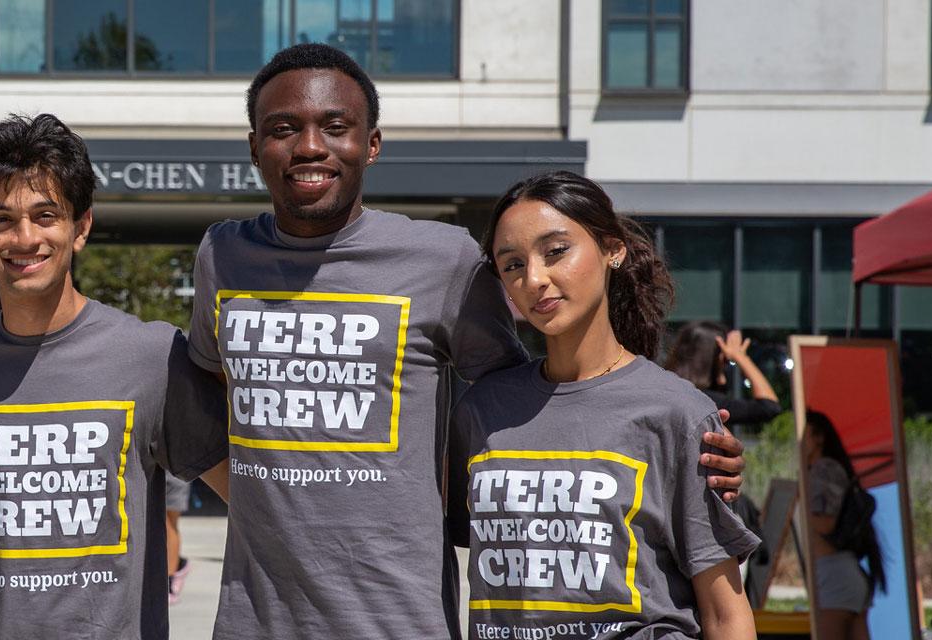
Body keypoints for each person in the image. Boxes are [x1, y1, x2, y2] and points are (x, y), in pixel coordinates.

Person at [185, 43, 748, 639]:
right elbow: (204, 390)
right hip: (253, 621)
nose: (309, 147)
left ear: (371, 144)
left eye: (335, 127)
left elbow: (533, 406)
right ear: (253, 146)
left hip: (401, 622)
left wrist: (676, 446)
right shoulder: (222, 256)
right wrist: (258, 490)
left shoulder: (443, 259)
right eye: (282, 129)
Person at [0, 114, 230, 639]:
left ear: (81, 227)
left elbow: (254, 496)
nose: (25, 238)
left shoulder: (153, 356)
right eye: (1, 220)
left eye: (45, 215)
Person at [453, 170, 759, 639]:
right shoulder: (481, 411)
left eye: (556, 252)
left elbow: (725, 613)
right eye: (512, 264)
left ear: (612, 249)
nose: (534, 278)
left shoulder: (675, 412)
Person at [802, 411, 883, 640]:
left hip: (834, 577)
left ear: (819, 438)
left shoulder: (824, 469)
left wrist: (797, 506)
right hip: (843, 576)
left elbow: (825, 524)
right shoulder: (824, 470)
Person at [664, 321, 783, 432]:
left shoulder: (666, 391)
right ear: (716, 359)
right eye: (725, 361)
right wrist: (740, 357)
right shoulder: (708, 401)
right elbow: (769, 407)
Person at [162, 475, 192, 605]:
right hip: (151, 468)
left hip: (174, 471)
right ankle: (179, 564)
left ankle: (169, 582)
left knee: (168, 523)